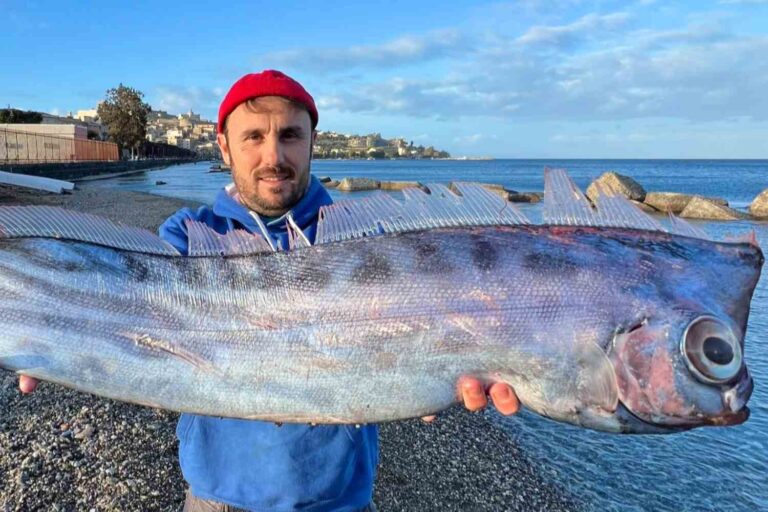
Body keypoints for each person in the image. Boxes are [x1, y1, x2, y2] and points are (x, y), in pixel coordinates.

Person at [19, 70, 520, 511]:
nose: (273, 156)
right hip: (218, 497)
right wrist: (51, 332)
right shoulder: (188, 236)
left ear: (312, 142)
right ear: (224, 147)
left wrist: (447, 369)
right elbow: (130, 309)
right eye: (254, 136)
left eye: (290, 135)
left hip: (339, 500)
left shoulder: (372, 238)